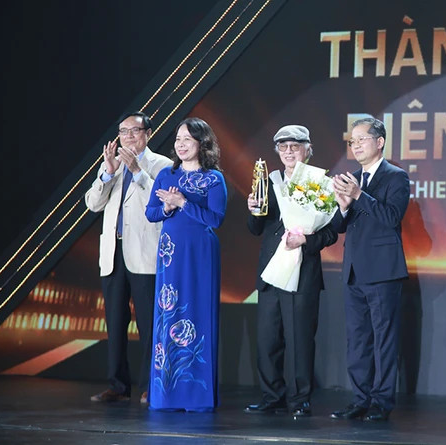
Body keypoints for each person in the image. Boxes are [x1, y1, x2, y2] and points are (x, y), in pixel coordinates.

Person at [244, 125, 338, 418]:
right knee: (268, 339)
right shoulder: (269, 182)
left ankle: (300, 400)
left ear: (308, 150)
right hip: (271, 271)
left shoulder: (320, 183)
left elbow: (332, 232)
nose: (288, 152)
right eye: (283, 147)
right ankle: (272, 396)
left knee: (299, 339)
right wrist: (253, 209)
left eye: (294, 147)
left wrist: (306, 241)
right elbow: (255, 229)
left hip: (303, 270)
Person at [85, 111, 173, 404]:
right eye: (123, 132)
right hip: (113, 253)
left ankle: (150, 385)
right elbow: (93, 204)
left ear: (148, 133)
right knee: (115, 320)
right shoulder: (111, 164)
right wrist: (107, 173)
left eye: (134, 131)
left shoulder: (163, 165)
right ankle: (118, 385)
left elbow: (163, 202)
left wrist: (137, 171)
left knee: (149, 323)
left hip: (145, 253)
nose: (128, 137)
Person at [329, 117, 410, 421]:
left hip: (383, 271)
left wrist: (359, 196)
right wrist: (342, 205)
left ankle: (381, 401)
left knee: (383, 340)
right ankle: (360, 398)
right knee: (358, 339)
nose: (356, 145)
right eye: (352, 141)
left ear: (380, 142)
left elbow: (390, 217)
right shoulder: (351, 178)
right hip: (353, 269)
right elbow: (338, 227)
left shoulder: (396, 177)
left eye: (362, 139)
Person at [145, 117, 227, 412]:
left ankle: (197, 396)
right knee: (168, 313)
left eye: (187, 140)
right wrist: (166, 206)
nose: (180, 144)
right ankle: (166, 395)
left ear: (202, 144)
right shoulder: (166, 175)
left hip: (200, 252)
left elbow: (215, 219)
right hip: (170, 252)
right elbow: (151, 214)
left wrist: (183, 204)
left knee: (198, 311)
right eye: (178, 139)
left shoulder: (214, 178)